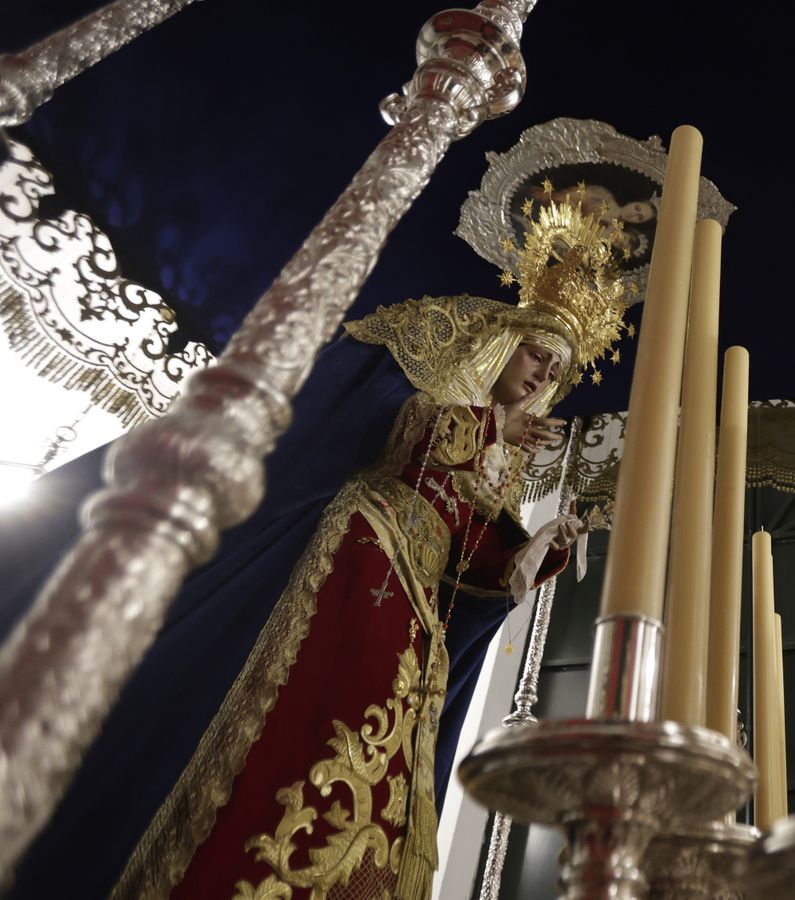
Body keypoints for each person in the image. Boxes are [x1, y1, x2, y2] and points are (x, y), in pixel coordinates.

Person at [0, 196, 631, 898]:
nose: (544, 376)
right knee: (291, 738)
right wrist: (489, 430)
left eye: (557, 373)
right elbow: (399, 433)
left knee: (355, 774)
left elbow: (471, 561)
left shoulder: (501, 451)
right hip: (351, 565)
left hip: (411, 621)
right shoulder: (432, 370)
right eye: (538, 354)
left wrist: (540, 544)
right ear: (500, 338)